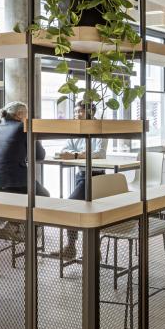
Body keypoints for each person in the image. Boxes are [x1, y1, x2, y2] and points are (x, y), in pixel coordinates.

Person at [53, 101, 107, 260]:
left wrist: (76, 155)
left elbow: (100, 153)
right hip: (81, 175)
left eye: (80, 112)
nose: (77, 115)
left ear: (91, 112)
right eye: (75, 112)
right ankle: (82, 249)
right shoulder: (76, 129)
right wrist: (78, 154)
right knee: (83, 210)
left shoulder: (100, 127)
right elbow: (65, 149)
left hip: (96, 176)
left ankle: (78, 248)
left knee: (73, 206)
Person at [0, 101, 50, 196]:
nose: (27, 118)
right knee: (45, 195)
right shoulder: (22, 127)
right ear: (19, 114)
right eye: (26, 114)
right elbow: (39, 155)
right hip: (14, 182)